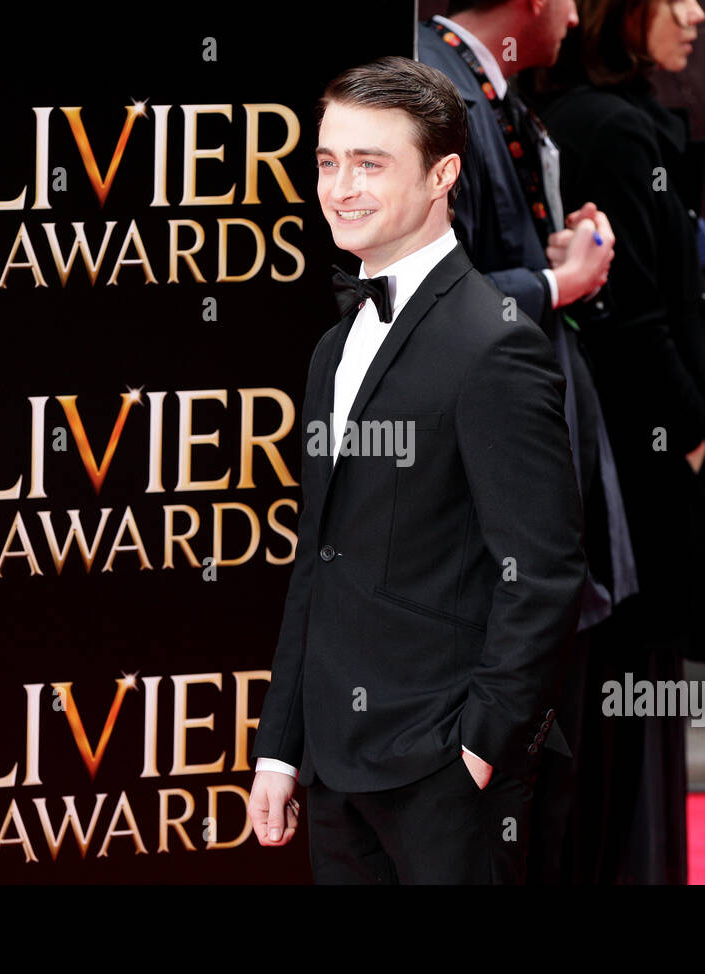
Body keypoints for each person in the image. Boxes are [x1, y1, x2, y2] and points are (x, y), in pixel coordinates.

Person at [246, 55, 588, 884]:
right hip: (335, 769)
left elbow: (543, 574)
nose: (341, 189)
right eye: (328, 162)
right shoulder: (333, 349)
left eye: (370, 164)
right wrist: (281, 751)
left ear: (443, 176)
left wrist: (479, 749)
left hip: (447, 776)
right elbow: (318, 559)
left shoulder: (495, 344)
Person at [417, 0, 636, 885]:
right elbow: (427, 298)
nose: (579, 15)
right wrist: (556, 279)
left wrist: (564, 260)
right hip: (484, 506)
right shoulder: (437, 87)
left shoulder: (483, 86)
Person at [532, 0, 705, 882]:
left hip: (618, 482)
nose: (696, 13)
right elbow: (631, 323)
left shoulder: (596, 118)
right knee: (623, 742)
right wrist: (693, 440)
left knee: (627, 729)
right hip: (638, 486)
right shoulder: (612, 130)